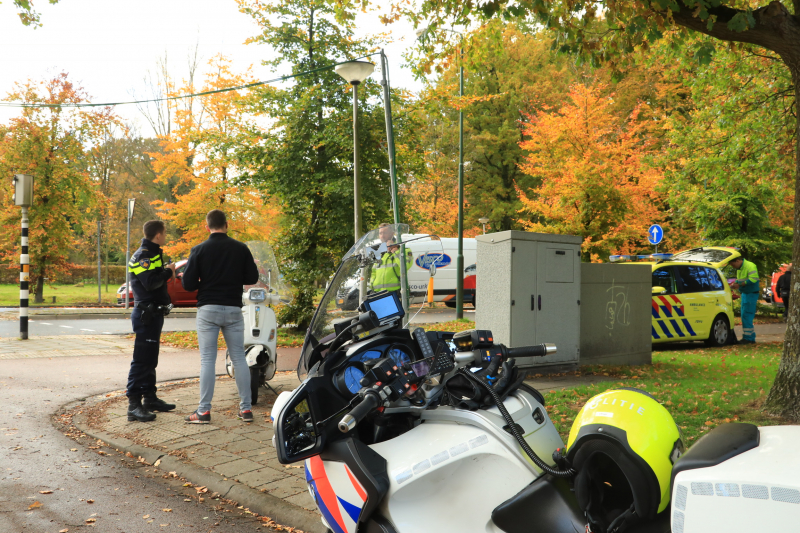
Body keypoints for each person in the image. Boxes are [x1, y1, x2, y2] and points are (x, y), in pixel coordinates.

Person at [181, 209, 259, 424]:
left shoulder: (198, 250)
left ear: (207, 227)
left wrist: (204, 282)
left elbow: (188, 285)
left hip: (208, 309)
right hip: (233, 309)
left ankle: (203, 412)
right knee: (239, 358)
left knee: (207, 360)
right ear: (226, 224)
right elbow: (252, 276)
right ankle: (245, 410)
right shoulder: (241, 248)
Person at [126, 220, 177, 422]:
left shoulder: (153, 253)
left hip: (153, 314)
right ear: (158, 235)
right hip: (145, 315)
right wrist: (169, 272)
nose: (165, 236)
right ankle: (134, 405)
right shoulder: (143, 255)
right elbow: (150, 282)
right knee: (142, 360)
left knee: (150, 359)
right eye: (164, 233)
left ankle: (150, 398)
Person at [370, 223, 412, 293]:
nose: (382, 236)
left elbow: (405, 266)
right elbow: (374, 272)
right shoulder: (379, 252)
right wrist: (372, 285)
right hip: (378, 293)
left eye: (385, 233)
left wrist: (396, 252)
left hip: (396, 293)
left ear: (392, 234)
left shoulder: (403, 250)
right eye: (380, 233)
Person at [730, 255, 760, 344]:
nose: (733, 267)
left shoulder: (750, 266)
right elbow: (740, 279)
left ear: (738, 261)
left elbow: (753, 279)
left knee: (746, 315)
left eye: (733, 265)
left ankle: (749, 338)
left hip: (750, 294)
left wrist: (739, 285)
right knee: (744, 315)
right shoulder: (741, 268)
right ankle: (748, 337)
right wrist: (735, 283)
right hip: (746, 294)